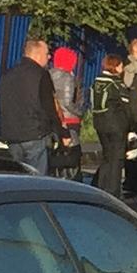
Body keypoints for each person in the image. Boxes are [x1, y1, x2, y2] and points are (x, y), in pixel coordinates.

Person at [0, 33, 57, 175]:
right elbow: (48, 107)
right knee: (37, 178)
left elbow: (1, 103)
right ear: (37, 54)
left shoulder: (8, 74)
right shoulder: (41, 74)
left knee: (17, 177)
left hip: (11, 135)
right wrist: (56, 131)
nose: (49, 57)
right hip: (35, 135)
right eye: (47, 54)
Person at [89, 48, 137, 197]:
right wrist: (132, 126)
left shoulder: (97, 81)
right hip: (116, 124)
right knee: (117, 159)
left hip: (99, 123)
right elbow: (127, 106)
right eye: (121, 66)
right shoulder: (116, 83)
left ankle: (100, 188)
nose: (122, 69)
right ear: (116, 66)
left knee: (107, 156)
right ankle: (113, 191)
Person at [47, 44, 85, 178]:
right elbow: (68, 102)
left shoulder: (48, 74)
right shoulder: (68, 77)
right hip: (69, 119)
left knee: (57, 150)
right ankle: (72, 178)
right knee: (73, 152)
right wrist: (80, 112)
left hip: (53, 118)